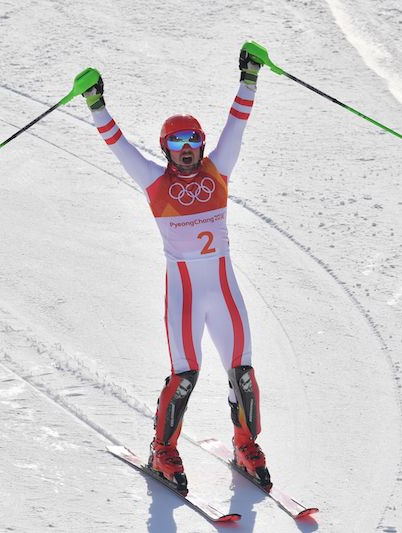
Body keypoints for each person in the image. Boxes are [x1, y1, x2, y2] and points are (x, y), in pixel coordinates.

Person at [82, 48, 269, 493]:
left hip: (224, 290)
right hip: (185, 294)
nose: (185, 151)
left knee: (242, 371)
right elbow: (117, 144)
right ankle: (162, 449)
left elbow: (237, 125)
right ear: (165, 148)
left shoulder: (217, 172)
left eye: (192, 142)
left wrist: (250, 77)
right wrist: (96, 104)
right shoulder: (155, 182)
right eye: (176, 143)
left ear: (201, 145)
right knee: (185, 375)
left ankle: (246, 444)